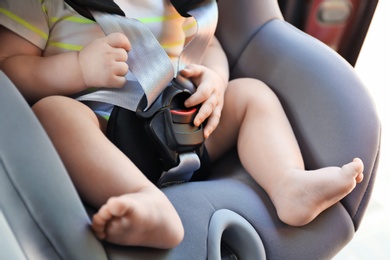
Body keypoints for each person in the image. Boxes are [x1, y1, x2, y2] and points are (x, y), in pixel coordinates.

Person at [0, 0, 364, 249]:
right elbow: (12, 68)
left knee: (252, 94)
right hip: (104, 137)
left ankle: (287, 184)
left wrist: (215, 83)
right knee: (52, 114)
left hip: (186, 123)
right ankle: (145, 201)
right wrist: (76, 69)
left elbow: (209, 47)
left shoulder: (183, 5)